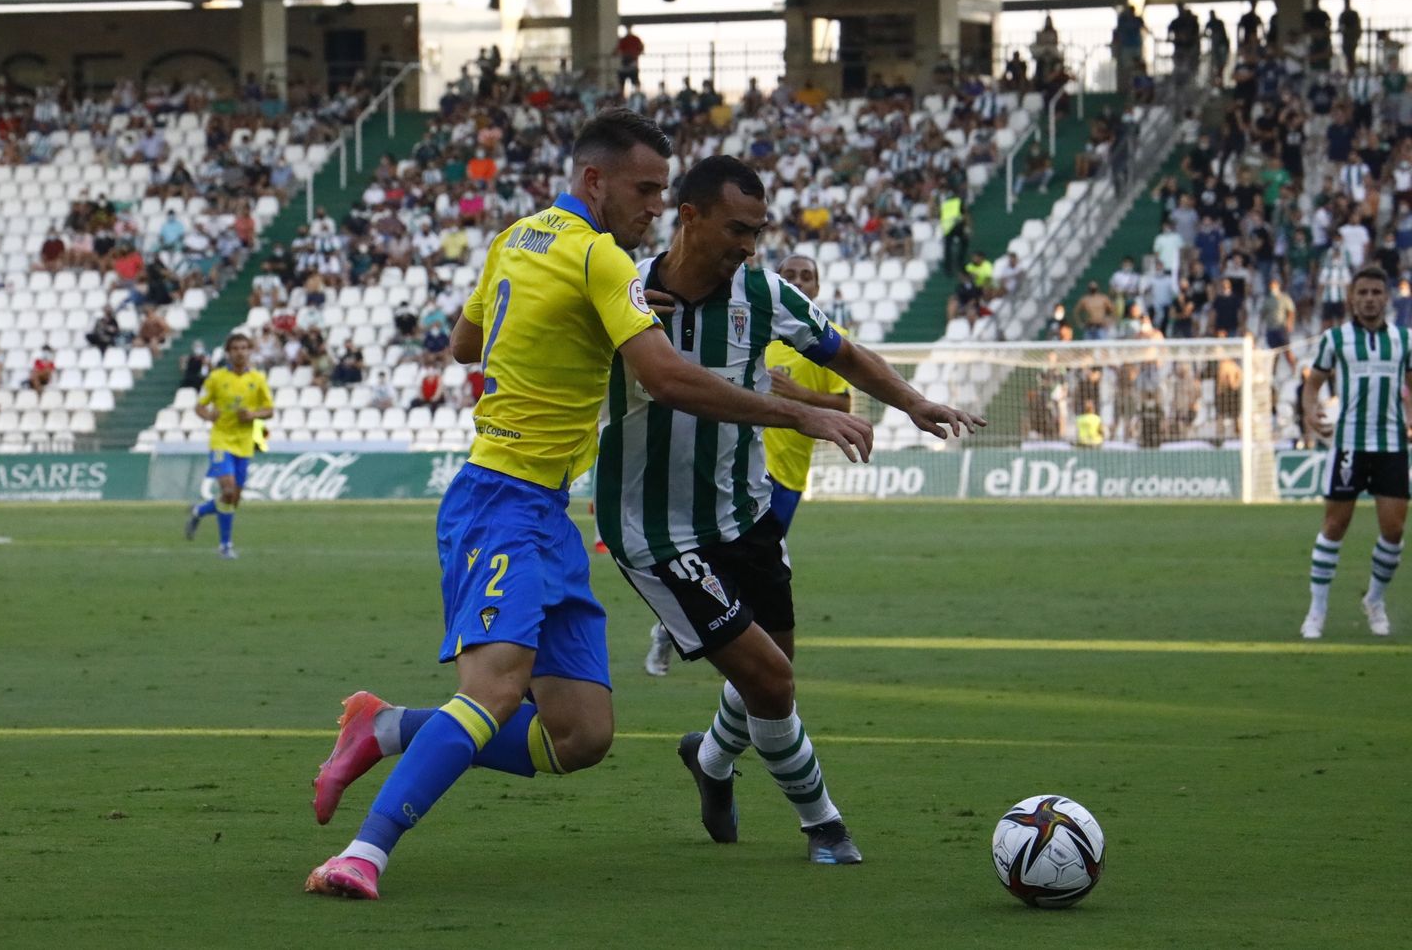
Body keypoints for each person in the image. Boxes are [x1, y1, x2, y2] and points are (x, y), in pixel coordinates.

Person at [301, 111, 873, 901]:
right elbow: (669, 380)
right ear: (593, 180)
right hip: (499, 498)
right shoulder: (604, 260)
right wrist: (802, 412)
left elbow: (467, 346)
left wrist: (581, 329)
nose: (653, 206)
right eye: (643, 190)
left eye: (662, 191)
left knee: (580, 736)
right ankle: (364, 853)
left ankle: (388, 726)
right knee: (496, 689)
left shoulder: (515, 238)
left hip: (549, 513)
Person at [600, 155, 982, 866]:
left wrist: (914, 403)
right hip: (655, 531)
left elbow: (843, 353)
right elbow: (678, 388)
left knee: (770, 676)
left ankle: (711, 759)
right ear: (690, 217)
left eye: (758, 231)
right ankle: (825, 826)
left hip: (744, 516)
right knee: (771, 681)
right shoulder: (622, 290)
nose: (749, 245)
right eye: (737, 229)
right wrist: (794, 417)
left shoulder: (763, 292)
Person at [644, 253, 853, 677]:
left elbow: (844, 403)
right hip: (747, 467)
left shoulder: (825, 339)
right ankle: (724, 656)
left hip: (791, 475)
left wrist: (799, 395)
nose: (796, 280)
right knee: (744, 568)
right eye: (789, 274)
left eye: (806, 275)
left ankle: (680, 632)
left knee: (746, 575)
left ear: (817, 286)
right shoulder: (759, 326)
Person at [1301, 266, 1406, 639]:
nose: (1369, 298)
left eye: (1376, 292)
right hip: (1349, 444)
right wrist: (1310, 412)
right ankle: (1317, 610)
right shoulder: (1335, 339)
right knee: (1334, 526)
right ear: (1351, 297)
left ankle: (1374, 600)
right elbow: (1312, 384)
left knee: (1393, 531)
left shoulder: (1404, 340)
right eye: (1362, 292)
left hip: (1392, 443)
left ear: (1386, 296)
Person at [184, 332, 274, 560]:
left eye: (244, 348)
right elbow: (199, 407)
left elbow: (270, 410)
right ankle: (225, 545)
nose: (240, 352)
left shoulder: (258, 379)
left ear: (250, 350)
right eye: (235, 348)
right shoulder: (215, 378)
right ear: (228, 352)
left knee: (233, 499)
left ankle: (199, 510)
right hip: (221, 440)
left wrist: (253, 414)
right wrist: (209, 416)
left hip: (245, 443)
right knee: (228, 490)